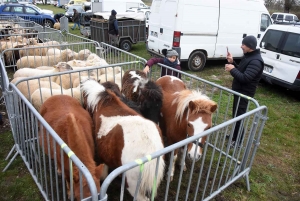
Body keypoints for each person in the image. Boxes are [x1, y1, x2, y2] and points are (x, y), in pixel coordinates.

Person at [225, 35, 264, 148]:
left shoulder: (256, 61)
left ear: (249, 46)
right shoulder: (248, 56)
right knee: (236, 115)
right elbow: (241, 71)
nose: (241, 46)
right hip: (239, 91)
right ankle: (235, 135)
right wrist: (233, 62)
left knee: (240, 116)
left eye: (243, 44)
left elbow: (245, 78)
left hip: (245, 93)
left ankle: (237, 141)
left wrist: (232, 69)